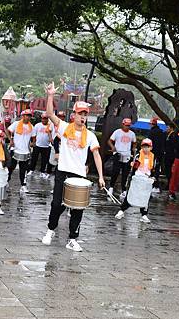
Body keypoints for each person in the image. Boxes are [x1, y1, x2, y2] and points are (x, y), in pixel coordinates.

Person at [41, 83, 105, 252]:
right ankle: (50, 230)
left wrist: (100, 176)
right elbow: (49, 114)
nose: (83, 117)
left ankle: (72, 239)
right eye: (80, 114)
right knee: (57, 204)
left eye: (85, 114)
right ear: (74, 115)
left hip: (79, 175)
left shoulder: (90, 136)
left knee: (77, 209)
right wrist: (50, 96)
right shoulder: (63, 127)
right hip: (63, 172)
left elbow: (96, 155)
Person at [114, 138, 156, 223]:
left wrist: (153, 177)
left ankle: (144, 214)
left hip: (147, 179)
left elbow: (155, 169)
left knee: (145, 197)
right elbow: (131, 166)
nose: (146, 148)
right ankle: (122, 210)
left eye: (147, 147)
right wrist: (132, 165)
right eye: (144, 146)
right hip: (137, 177)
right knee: (131, 194)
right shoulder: (138, 156)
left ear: (151, 147)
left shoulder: (153, 157)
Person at [108, 118, 136, 198]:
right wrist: (112, 147)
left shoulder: (132, 134)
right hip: (118, 154)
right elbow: (109, 141)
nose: (127, 127)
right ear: (122, 124)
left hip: (127, 155)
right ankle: (111, 188)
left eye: (129, 126)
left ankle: (124, 190)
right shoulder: (117, 132)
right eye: (126, 125)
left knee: (125, 174)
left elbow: (134, 143)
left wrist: (133, 150)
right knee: (115, 172)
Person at [8, 109, 34, 192]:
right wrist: (11, 140)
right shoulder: (16, 124)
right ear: (23, 116)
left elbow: (34, 137)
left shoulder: (31, 126)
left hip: (25, 151)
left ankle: (23, 185)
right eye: (26, 115)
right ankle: (6, 182)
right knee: (11, 167)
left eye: (29, 116)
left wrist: (33, 143)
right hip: (15, 149)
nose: (27, 117)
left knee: (23, 169)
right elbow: (8, 131)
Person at [29, 112, 53, 179]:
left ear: (48, 119)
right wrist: (33, 142)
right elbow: (34, 134)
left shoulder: (50, 126)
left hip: (46, 146)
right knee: (34, 158)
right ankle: (31, 170)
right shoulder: (37, 125)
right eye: (43, 118)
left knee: (44, 160)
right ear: (41, 119)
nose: (44, 120)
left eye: (45, 119)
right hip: (38, 145)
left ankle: (42, 172)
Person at [148, 117, 165, 193]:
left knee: (152, 169)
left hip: (153, 154)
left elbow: (149, 143)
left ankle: (154, 185)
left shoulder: (152, 132)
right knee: (157, 169)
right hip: (160, 154)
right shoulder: (161, 132)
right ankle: (155, 186)